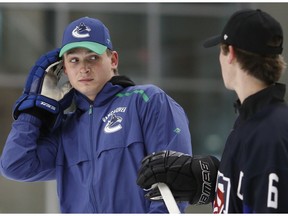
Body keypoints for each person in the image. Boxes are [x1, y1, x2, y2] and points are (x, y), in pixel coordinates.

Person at [0, 17, 192, 213]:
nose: (84, 68)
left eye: (93, 57)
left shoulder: (147, 101)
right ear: (64, 69)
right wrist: (34, 110)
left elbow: (174, 180)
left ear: (113, 60)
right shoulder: (65, 129)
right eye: (74, 60)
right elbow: (15, 165)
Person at [137, 9, 288, 213]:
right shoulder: (250, 123)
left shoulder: (269, 134)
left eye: (221, 49)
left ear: (231, 54)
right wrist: (213, 179)